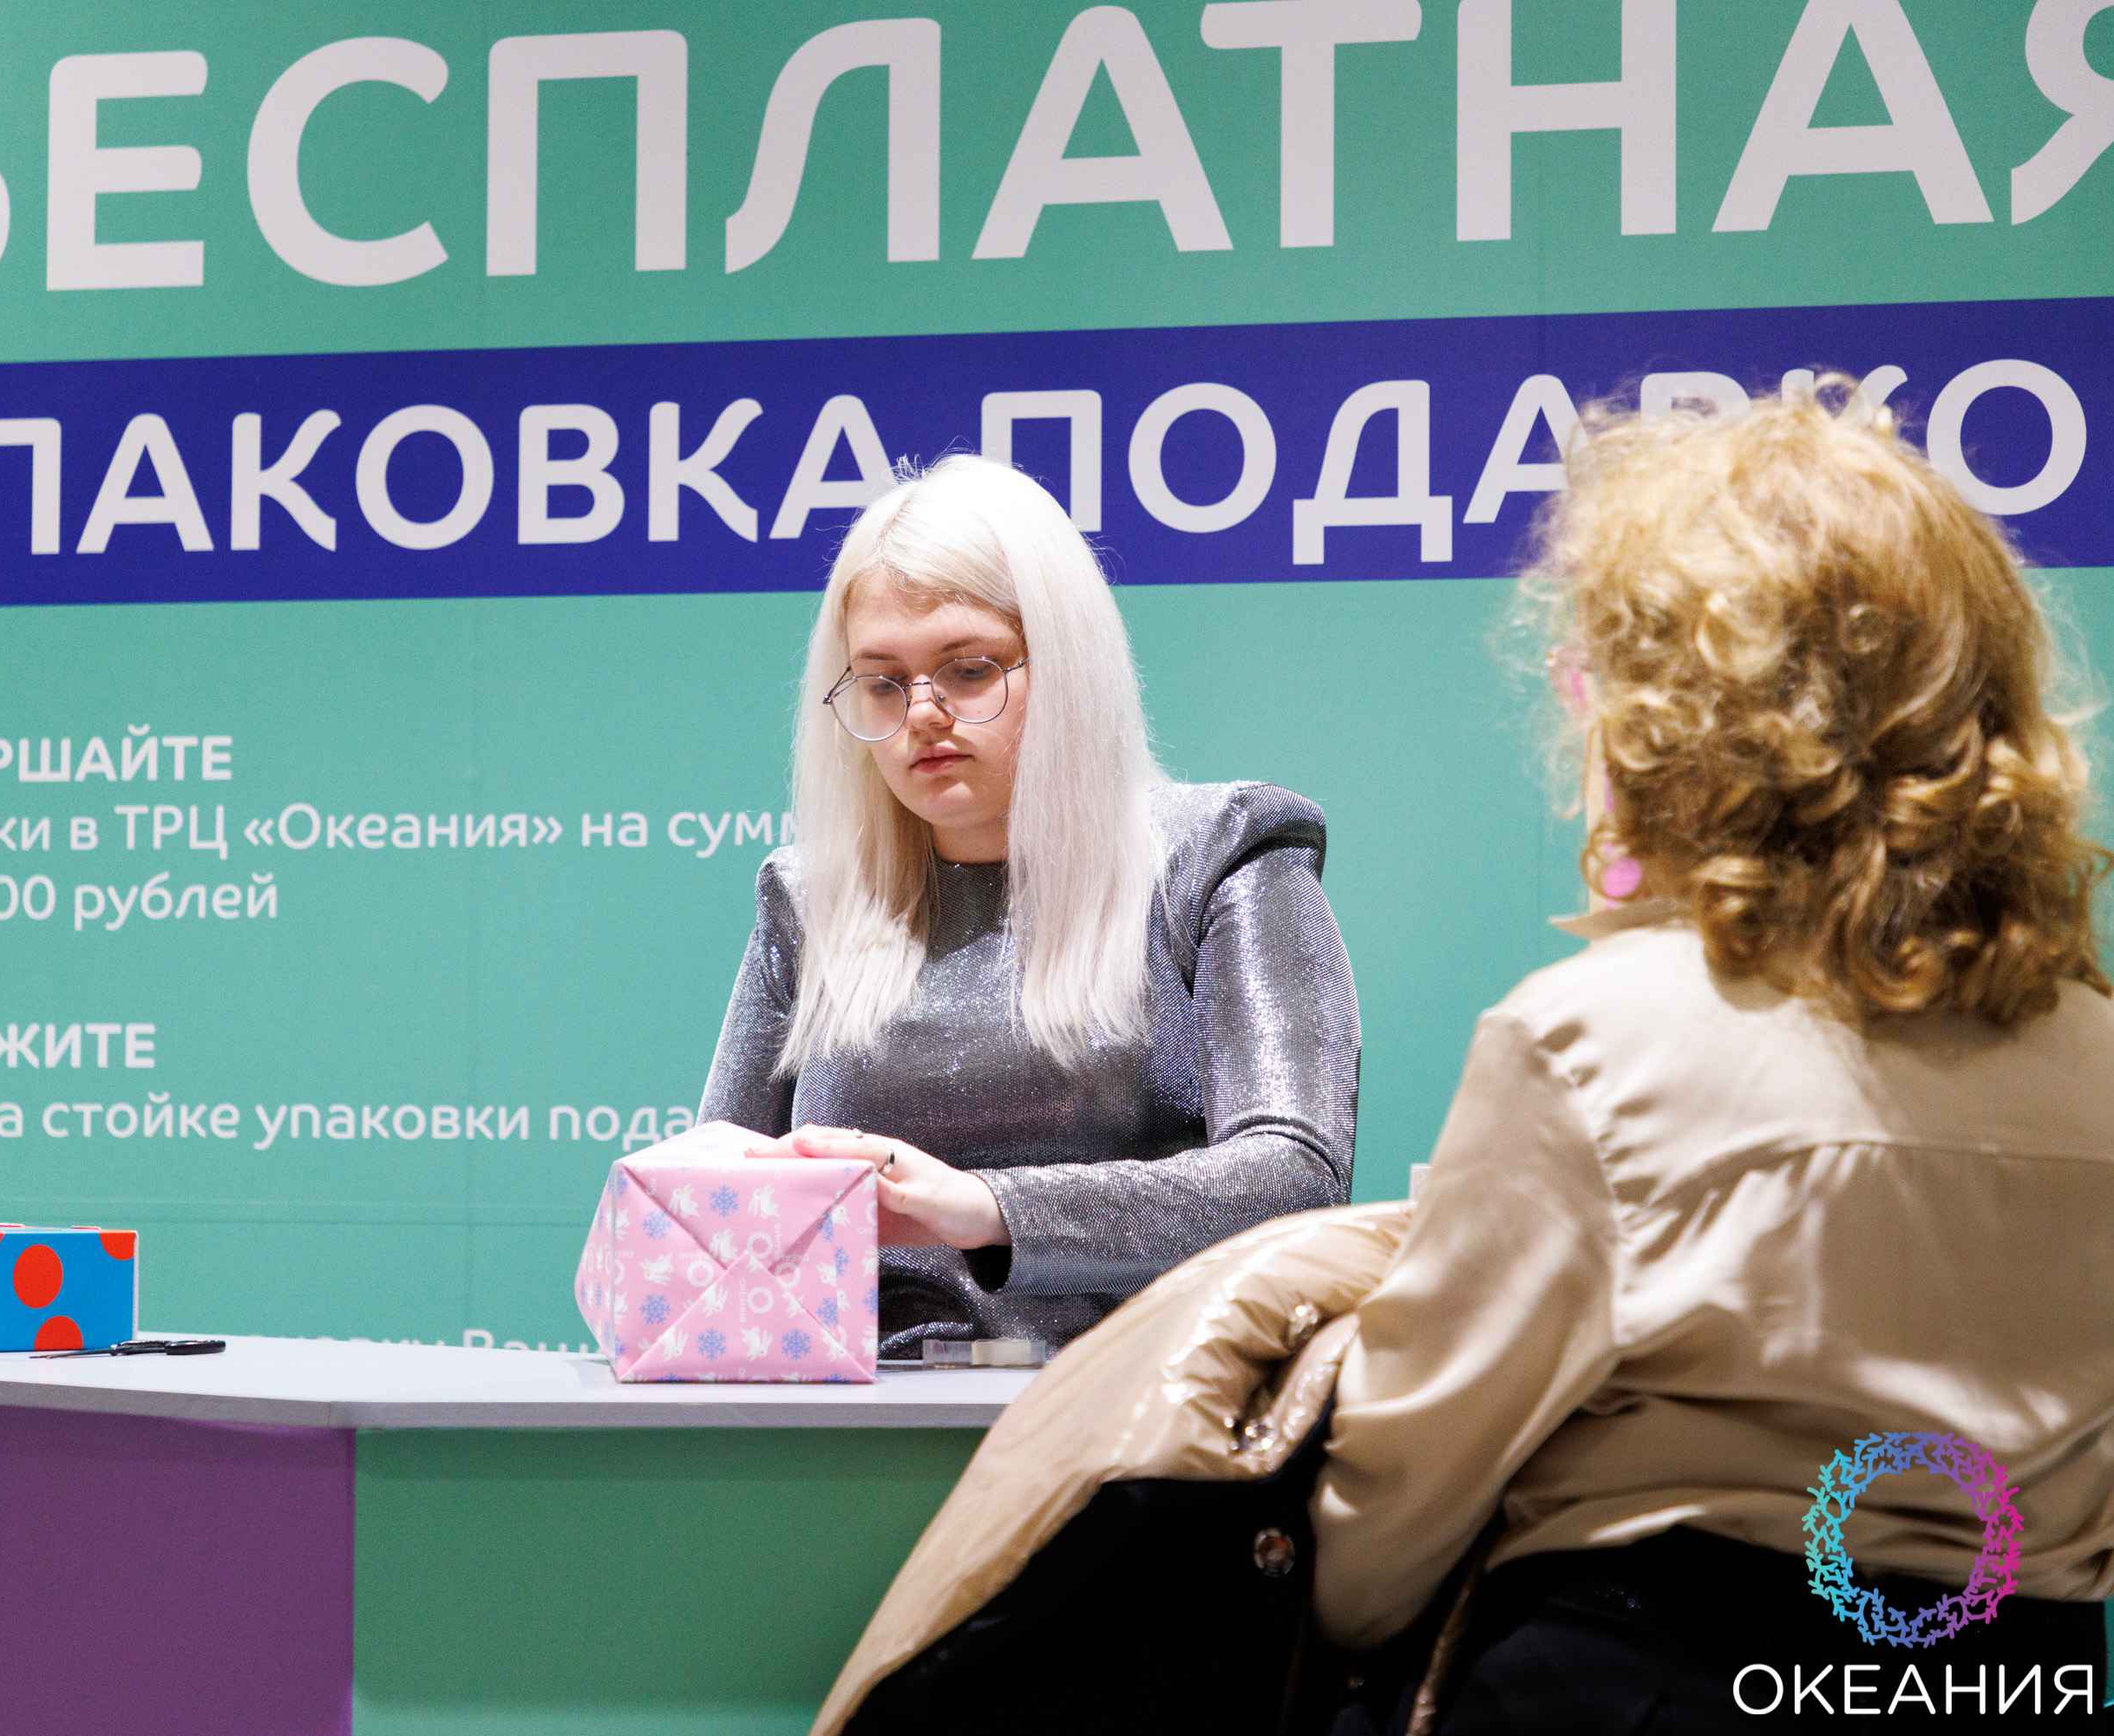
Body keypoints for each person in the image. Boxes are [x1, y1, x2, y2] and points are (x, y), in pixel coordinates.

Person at [1312, 379, 2114, 1731]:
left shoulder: (1589, 1041)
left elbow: (1385, 1530)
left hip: (1641, 1681)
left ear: (1674, 713)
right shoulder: (2097, 1057)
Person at [697, 452, 1360, 1359]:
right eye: (882, 682)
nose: (922, 713)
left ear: (1067, 665)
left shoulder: (1219, 855)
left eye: (968, 670)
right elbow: (713, 1204)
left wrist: (985, 1208)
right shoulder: (808, 900)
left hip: (1141, 1402)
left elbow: (1296, 1175)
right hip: (859, 1413)